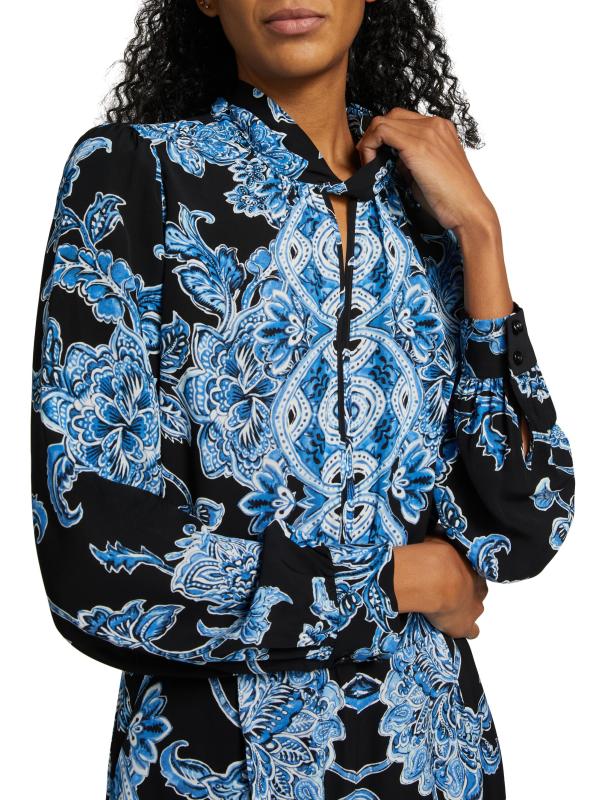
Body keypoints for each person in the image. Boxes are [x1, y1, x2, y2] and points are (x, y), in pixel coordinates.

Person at [29, 1, 575, 798]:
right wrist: (387, 585)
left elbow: (524, 519)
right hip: (218, 764)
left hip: (435, 758)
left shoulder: (424, 202)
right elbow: (96, 554)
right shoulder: (137, 172)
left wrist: (480, 235)